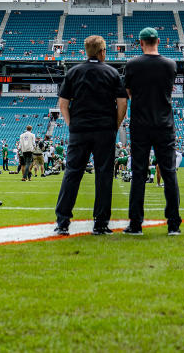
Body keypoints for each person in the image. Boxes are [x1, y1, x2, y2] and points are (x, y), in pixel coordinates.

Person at [54, 34, 127, 235]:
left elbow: (63, 103)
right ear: (102, 51)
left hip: (79, 130)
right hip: (104, 129)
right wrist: (115, 125)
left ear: (86, 51)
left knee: (72, 173)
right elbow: (122, 103)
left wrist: (71, 124)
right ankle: (101, 223)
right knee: (104, 176)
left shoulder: (74, 72)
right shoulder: (112, 73)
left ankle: (62, 222)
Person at [123, 27, 181, 236]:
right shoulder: (170, 64)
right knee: (169, 173)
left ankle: (136, 224)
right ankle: (173, 225)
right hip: (164, 125)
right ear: (158, 41)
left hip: (140, 124)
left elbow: (128, 92)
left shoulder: (132, 65)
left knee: (138, 174)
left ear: (140, 43)